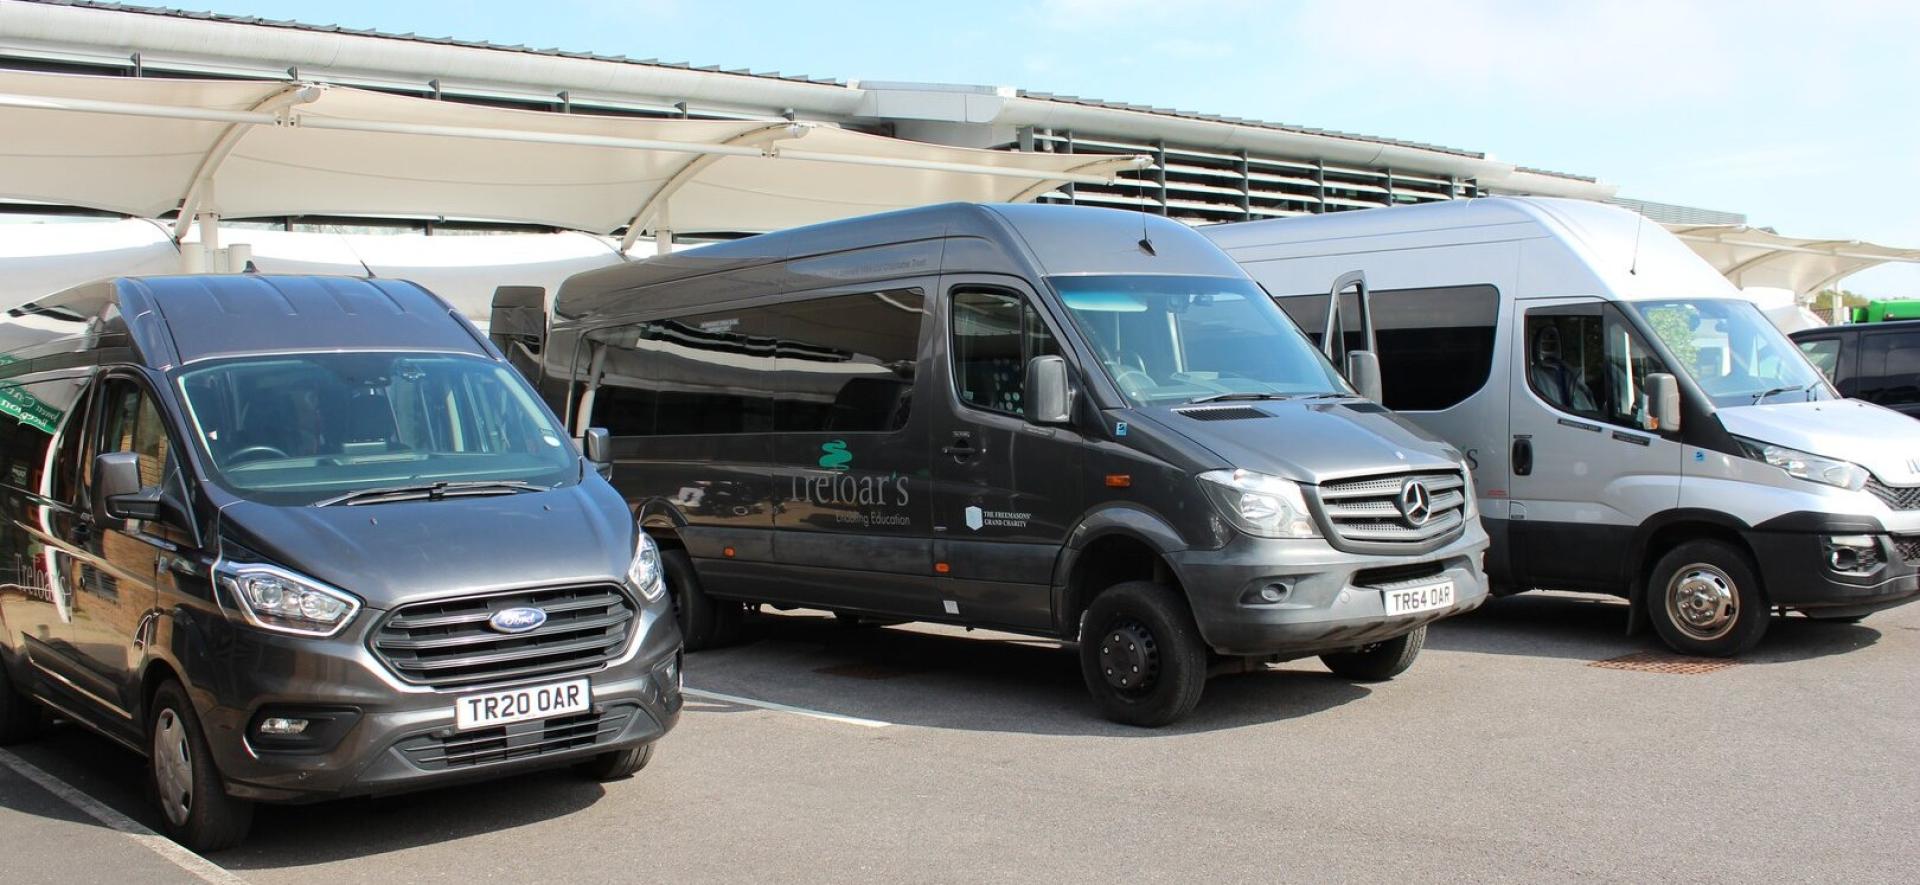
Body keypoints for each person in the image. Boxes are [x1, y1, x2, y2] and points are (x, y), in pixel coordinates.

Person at [1530, 323, 1596, 413]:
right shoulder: (1530, 375)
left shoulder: (1570, 373)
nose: (1549, 347)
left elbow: (1587, 410)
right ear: (1536, 346)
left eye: (1552, 344)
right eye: (1546, 345)